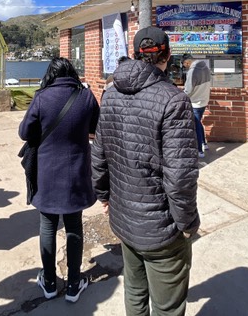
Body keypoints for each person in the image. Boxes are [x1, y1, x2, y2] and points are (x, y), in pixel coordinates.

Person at [92, 26, 200, 316]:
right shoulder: (173, 99)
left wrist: (104, 196)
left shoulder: (110, 94)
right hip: (161, 228)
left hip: (124, 217)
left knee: (135, 291)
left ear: (136, 54)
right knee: (168, 307)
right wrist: (187, 222)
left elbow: (99, 154)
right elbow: (180, 176)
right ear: (168, 54)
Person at [18, 57, 99, 303]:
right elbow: (96, 127)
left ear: (50, 75)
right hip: (76, 171)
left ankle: (50, 282)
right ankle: (74, 284)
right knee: (74, 225)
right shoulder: (86, 96)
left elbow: (24, 132)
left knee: (48, 225)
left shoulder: (42, 97)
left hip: (47, 172)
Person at [181, 53, 212, 157]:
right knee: (199, 123)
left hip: (195, 102)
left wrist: (181, 96)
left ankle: (199, 151)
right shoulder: (205, 67)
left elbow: (188, 90)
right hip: (204, 100)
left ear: (187, 62)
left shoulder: (192, 71)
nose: (185, 67)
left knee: (196, 125)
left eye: (184, 64)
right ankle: (204, 144)